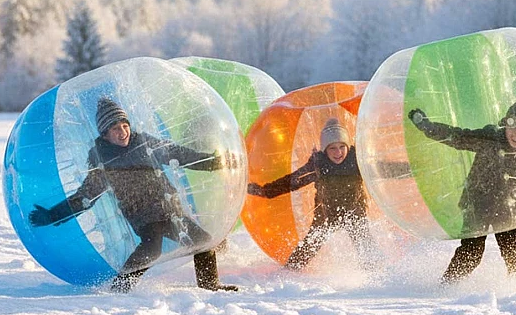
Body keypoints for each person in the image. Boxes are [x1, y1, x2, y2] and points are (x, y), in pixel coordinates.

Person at [28, 97, 239, 293]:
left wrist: (213, 162)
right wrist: (53, 215)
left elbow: (178, 154)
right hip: (143, 216)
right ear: (105, 134)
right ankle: (120, 287)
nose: (123, 132)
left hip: (168, 209)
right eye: (115, 129)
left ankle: (209, 284)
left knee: (203, 241)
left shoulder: (144, 143)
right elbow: (86, 197)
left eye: (125, 126)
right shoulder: (103, 161)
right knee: (152, 248)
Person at [408, 101, 516, 284]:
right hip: (478, 202)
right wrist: (427, 126)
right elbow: (457, 136)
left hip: (509, 205)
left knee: (515, 252)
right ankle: (448, 285)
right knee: (471, 252)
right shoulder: (491, 137)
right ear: (506, 124)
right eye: (513, 128)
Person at [247, 117, 406, 271]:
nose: (338, 152)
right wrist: (266, 191)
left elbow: (381, 169)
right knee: (311, 242)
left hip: (354, 209)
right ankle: (291, 270)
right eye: (332, 148)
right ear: (325, 149)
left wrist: (408, 170)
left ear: (347, 146)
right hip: (326, 212)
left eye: (342, 146)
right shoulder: (319, 165)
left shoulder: (356, 161)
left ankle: (376, 271)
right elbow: (294, 181)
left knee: (363, 241)